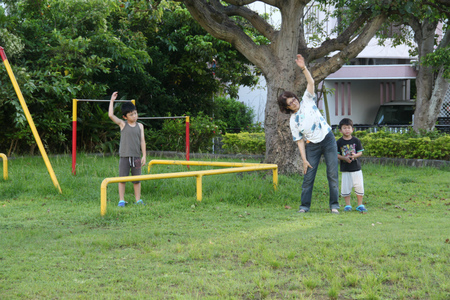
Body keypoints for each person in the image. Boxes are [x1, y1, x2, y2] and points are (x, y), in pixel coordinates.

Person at [277, 54, 340, 214]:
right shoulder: (293, 121)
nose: (294, 102)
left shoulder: (307, 99)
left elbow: (311, 82)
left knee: (332, 174)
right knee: (308, 177)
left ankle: (334, 205)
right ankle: (304, 207)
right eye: (290, 103)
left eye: (293, 99)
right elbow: (299, 141)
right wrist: (304, 160)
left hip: (328, 139)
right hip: (312, 146)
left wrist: (304, 68)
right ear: (287, 108)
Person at [108, 91, 146, 207]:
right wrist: (112, 101)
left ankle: (138, 200)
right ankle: (121, 200)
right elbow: (110, 115)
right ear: (125, 117)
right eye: (131, 114)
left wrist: (144, 155)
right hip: (124, 156)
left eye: (135, 113)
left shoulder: (140, 126)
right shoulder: (123, 124)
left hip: (136, 156)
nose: (134, 116)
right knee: (122, 179)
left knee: (137, 180)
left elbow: (142, 141)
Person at [336, 118, 367, 212]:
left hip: (356, 168)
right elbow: (337, 155)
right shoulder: (339, 142)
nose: (347, 130)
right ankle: (348, 205)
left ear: (352, 129)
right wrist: (344, 158)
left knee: (359, 186)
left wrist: (355, 156)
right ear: (340, 130)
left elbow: (360, 153)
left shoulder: (356, 141)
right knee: (346, 187)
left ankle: (360, 204)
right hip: (345, 169)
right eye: (344, 128)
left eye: (349, 128)